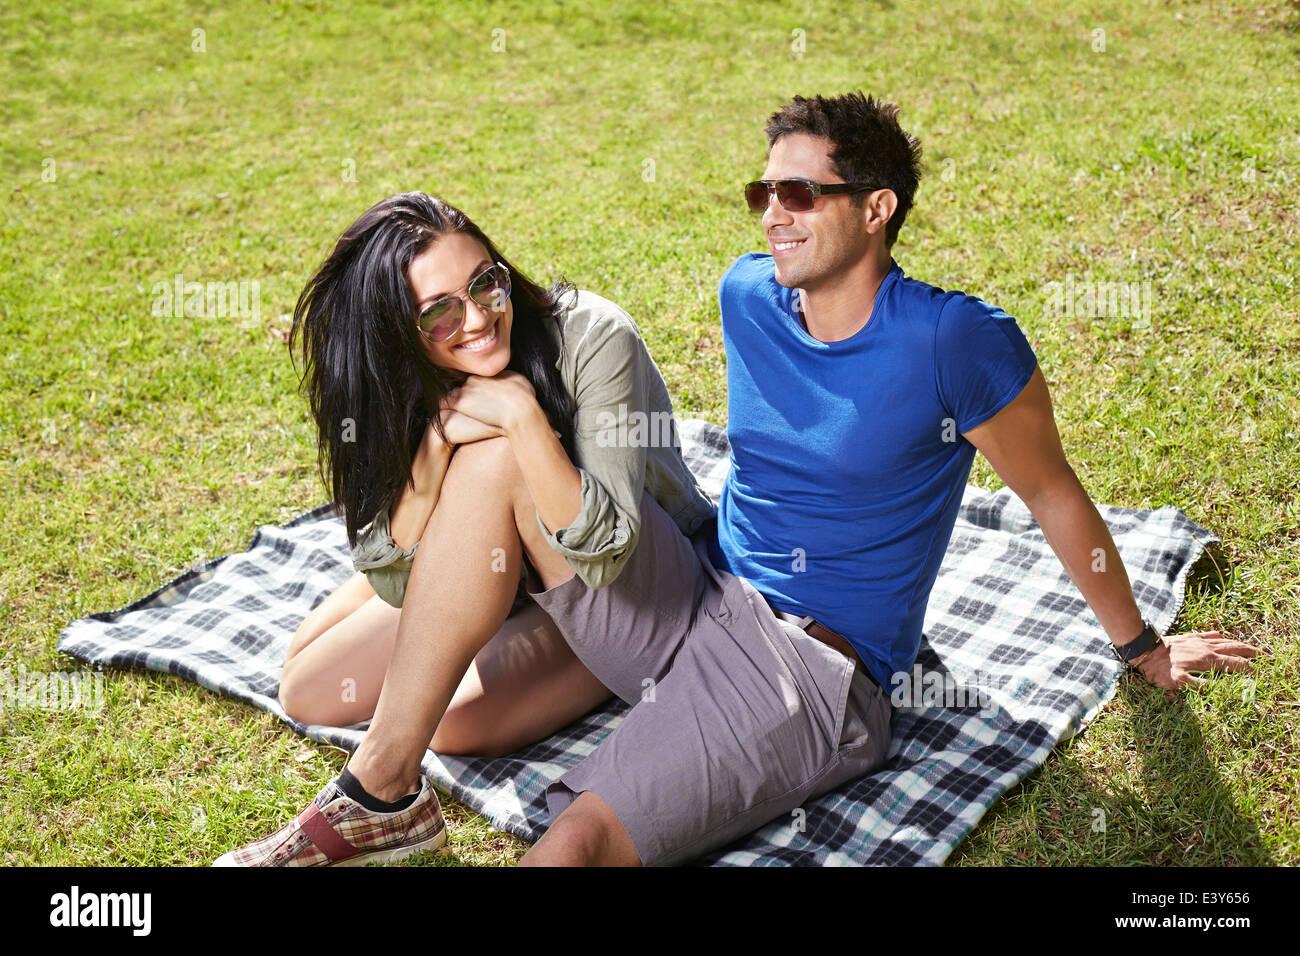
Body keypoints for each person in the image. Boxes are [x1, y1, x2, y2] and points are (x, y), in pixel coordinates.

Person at [518, 92, 1261, 865]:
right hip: (699, 590)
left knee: (577, 841)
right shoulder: (746, 296)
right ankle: (391, 779)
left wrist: (1141, 646)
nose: (774, 214)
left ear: (877, 208)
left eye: (801, 193)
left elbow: (1050, 494)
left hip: (807, 664)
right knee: (463, 707)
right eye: (763, 193)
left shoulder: (954, 340)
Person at [213, 191, 715, 866]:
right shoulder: (404, 380)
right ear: (397, 331)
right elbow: (385, 574)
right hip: (502, 572)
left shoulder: (594, 336)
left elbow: (605, 552)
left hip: (622, 588)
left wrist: (519, 417)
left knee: (444, 720)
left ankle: (382, 789)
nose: (477, 318)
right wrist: (436, 444)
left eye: (486, 283)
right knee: (307, 687)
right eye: (440, 311)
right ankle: (463, 594)